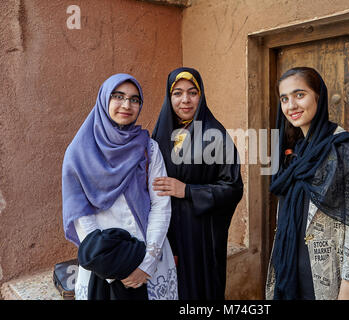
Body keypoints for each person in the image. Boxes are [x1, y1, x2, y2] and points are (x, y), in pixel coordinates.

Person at [266, 67, 349, 300]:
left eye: (300, 95)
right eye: (284, 99)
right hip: (288, 262)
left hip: (325, 271)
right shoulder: (295, 151)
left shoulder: (346, 149)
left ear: (319, 97)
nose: (291, 106)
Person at [62, 73, 177, 300]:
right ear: (104, 100)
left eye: (135, 99)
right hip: (102, 267)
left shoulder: (149, 148)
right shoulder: (78, 153)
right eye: (118, 96)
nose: (127, 105)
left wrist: (146, 264)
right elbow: (80, 215)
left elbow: (161, 205)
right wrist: (114, 266)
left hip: (150, 260)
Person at [152, 67, 243, 300]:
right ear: (169, 96)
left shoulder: (215, 135)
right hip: (165, 232)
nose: (185, 100)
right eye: (178, 93)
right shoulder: (159, 137)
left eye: (193, 93)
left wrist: (188, 190)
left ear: (201, 96)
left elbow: (233, 188)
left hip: (201, 235)